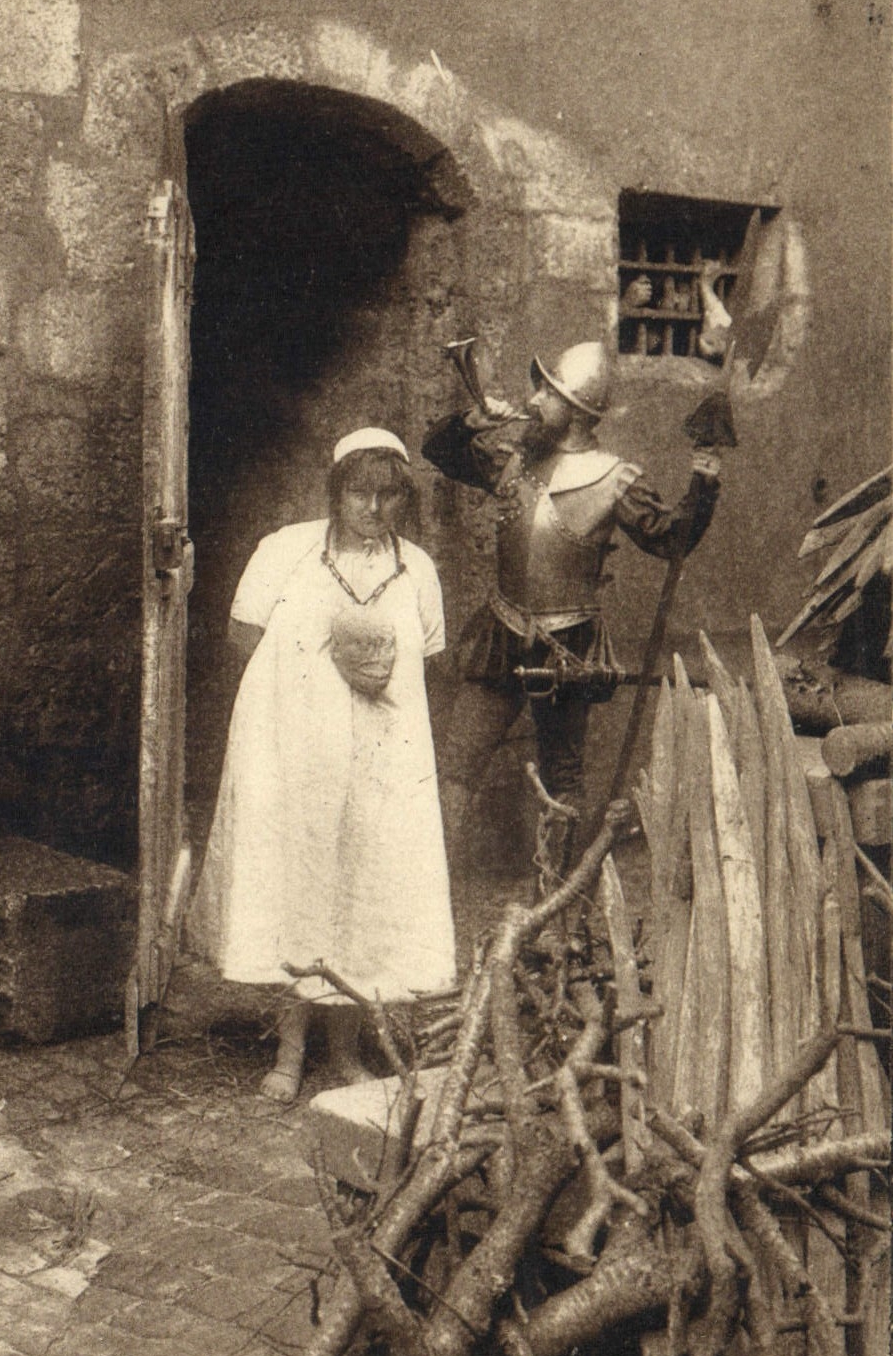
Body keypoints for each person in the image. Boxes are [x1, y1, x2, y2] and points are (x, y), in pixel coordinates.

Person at [187, 428, 456, 1103]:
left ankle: (343, 1051)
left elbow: (424, 657)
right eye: (358, 494)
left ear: (401, 500)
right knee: (299, 885)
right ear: (335, 492)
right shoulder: (285, 552)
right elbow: (243, 636)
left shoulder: (415, 568)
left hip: (382, 754)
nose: (371, 509)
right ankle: (289, 1046)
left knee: (363, 889)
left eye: (386, 496)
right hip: (296, 749)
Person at [423, 306, 724, 868]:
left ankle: (554, 898)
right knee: (457, 760)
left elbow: (670, 539)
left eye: (549, 394)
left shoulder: (616, 479)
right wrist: (473, 421)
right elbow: (438, 452)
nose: (534, 400)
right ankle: (431, 889)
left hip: (568, 642)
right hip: (502, 629)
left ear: (580, 411)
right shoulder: (512, 460)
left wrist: (704, 479)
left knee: (564, 775)